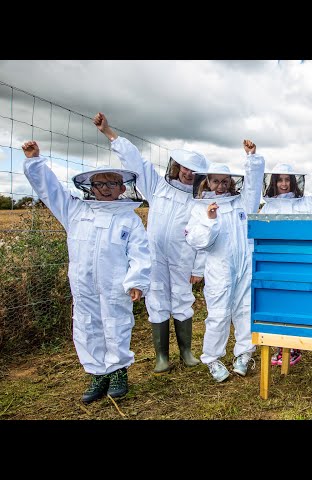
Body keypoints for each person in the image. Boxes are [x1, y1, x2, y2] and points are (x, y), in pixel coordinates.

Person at [22, 140, 151, 403]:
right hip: (83, 285)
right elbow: (50, 191)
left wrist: (137, 281)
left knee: (116, 326)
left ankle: (117, 372)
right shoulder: (75, 210)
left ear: (122, 188)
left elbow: (140, 253)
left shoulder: (129, 218)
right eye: (99, 184)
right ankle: (97, 373)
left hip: (115, 285)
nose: (105, 189)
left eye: (111, 184)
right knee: (86, 326)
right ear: (90, 188)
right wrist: (35, 161)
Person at [94, 113, 206, 374]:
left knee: (181, 298)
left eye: (193, 169)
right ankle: (161, 357)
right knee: (155, 299)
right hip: (154, 255)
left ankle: (187, 352)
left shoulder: (199, 198)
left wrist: (198, 267)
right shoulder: (158, 186)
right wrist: (110, 133)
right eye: (185, 167)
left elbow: (203, 233)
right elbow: (137, 162)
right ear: (177, 166)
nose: (188, 173)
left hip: (183, 256)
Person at [185, 140, 265, 382]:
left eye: (225, 181)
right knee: (218, 314)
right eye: (215, 181)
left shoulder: (241, 203)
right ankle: (212, 358)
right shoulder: (200, 208)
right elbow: (197, 241)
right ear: (207, 182)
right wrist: (210, 219)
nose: (220, 185)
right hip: (219, 269)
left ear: (231, 182)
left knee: (244, 310)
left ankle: (244, 354)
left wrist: (251, 158)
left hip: (245, 266)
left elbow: (252, 186)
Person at [261, 157, 312, 366]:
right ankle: (282, 347)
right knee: (278, 302)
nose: (283, 184)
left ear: (294, 181)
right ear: (273, 182)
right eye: (279, 180)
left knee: (297, 303)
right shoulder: (267, 208)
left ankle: (295, 347)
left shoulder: (306, 203)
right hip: (275, 263)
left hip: (299, 261)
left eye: (287, 180)